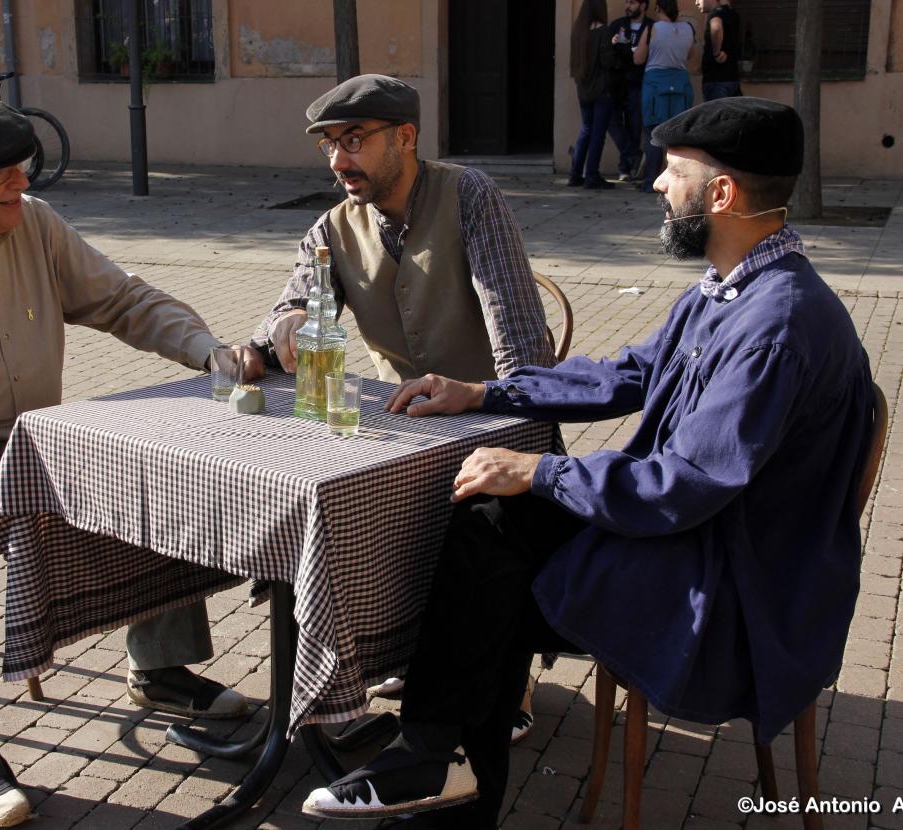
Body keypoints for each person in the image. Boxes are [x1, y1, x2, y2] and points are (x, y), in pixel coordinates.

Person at [301, 97, 874, 829]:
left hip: (732, 588)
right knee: (490, 534)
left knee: (491, 558)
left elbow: (683, 487)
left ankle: (433, 767)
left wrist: (539, 472)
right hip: (701, 540)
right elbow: (626, 372)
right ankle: (434, 766)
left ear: (723, 194)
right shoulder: (736, 290)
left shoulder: (777, 324)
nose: (658, 188)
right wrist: (486, 390)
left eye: (672, 173)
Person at [0, 96, 263, 827]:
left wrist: (211, 354)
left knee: (150, 459)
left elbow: (123, 300)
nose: (18, 187)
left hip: (15, 436)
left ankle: (158, 669)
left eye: (21, 170)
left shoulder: (34, 225)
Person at [251, 73, 560, 743]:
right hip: (405, 432)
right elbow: (287, 307)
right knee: (327, 503)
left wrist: (501, 424)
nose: (339, 162)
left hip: (496, 423)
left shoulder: (469, 196)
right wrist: (286, 323)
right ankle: (381, 652)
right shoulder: (333, 225)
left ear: (407, 138)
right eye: (330, 146)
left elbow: (521, 345)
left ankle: (505, 666)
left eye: (354, 141)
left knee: (482, 526)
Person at [635, 0, 694, 192]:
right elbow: (690, 55)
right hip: (680, 84)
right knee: (678, 135)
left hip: (655, 85)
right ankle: (679, 180)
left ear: (658, 8)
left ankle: (650, 180)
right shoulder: (687, 28)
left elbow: (638, 58)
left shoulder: (652, 28)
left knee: (653, 133)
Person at [567, 0, 618, 189]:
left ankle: (575, 174)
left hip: (583, 88)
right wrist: (613, 45)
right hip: (601, 90)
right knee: (598, 133)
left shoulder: (578, 32)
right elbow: (607, 62)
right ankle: (591, 175)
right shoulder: (604, 31)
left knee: (586, 129)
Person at [607, 0, 653, 182]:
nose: (627, 5)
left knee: (634, 126)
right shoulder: (618, 25)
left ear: (643, 5)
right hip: (617, 83)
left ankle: (626, 168)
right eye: (626, 2)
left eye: (632, 2)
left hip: (638, 83)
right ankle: (633, 155)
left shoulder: (651, 27)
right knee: (613, 122)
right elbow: (608, 52)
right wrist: (613, 44)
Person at [697, 0, 742, 101]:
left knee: (716, 115)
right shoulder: (733, 14)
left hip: (716, 80)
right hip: (732, 78)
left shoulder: (715, 13)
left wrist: (716, 53)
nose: (696, 3)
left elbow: (716, 28)